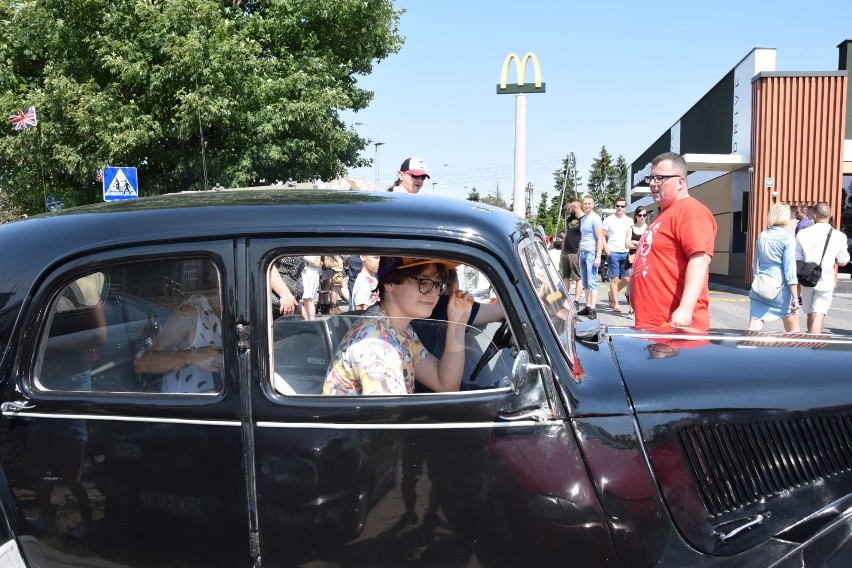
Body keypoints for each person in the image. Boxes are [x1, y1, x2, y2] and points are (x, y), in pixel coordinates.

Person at [323, 257, 474, 395]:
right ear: (390, 283)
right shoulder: (377, 347)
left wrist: (457, 323)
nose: (433, 293)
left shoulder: (400, 329)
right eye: (424, 282)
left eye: (437, 284)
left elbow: (445, 384)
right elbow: (390, 421)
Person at [630, 152, 717, 329]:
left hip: (673, 328)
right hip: (653, 323)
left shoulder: (691, 211)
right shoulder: (665, 213)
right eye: (651, 178)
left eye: (660, 178)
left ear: (680, 182)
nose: (653, 184)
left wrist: (685, 309)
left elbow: (700, 259)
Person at [134, 269, 224, 393]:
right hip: (186, 408)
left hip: (225, 404)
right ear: (217, 279)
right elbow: (141, 363)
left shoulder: (242, 312)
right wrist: (192, 356)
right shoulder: (190, 312)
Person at [795, 202, 850, 333]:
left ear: (814, 216)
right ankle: (815, 346)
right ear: (830, 216)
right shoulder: (839, 236)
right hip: (825, 278)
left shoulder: (802, 234)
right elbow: (843, 260)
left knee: (809, 313)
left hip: (807, 278)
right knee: (819, 314)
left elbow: (796, 257)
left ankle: (809, 344)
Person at [748, 203, 800, 332]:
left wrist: (757, 281)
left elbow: (755, 264)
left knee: (755, 322)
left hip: (761, 286)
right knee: (792, 323)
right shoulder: (787, 239)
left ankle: (747, 348)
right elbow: (790, 271)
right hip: (779, 288)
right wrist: (795, 298)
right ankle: (797, 350)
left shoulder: (762, 236)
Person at [602, 197, 634, 312]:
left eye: (622, 206)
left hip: (626, 252)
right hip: (613, 252)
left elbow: (631, 237)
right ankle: (615, 303)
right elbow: (602, 236)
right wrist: (607, 250)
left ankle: (611, 293)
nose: (619, 208)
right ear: (615, 206)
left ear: (625, 207)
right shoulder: (608, 220)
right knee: (614, 279)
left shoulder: (629, 221)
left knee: (626, 278)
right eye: (617, 206)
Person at [576, 195, 605, 319]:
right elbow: (582, 238)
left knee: (592, 281)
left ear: (593, 205)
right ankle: (587, 306)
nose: (587, 206)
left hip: (591, 253)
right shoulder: (583, 219)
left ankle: (593, 308)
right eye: (585, 203)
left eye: (589, 203)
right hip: (583, 252)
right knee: (586, 282)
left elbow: (600, 238)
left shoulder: (595, 218)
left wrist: (598, 257)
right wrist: (578, 255)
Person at [624, 206, 648, 317]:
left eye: (644, 215)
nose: (642, 217)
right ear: (636, 216)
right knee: (633, 282)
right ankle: (631, 310)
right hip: (632, 258)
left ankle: (639, 307)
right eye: (640, 215)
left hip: (644, 259)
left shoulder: (649, 228)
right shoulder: (631, 228)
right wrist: (640, 244)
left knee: (641, 284)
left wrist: (635, 242)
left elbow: (649, 244)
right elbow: (626, 244)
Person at [560, 199, 584, 309]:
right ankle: (564, 299)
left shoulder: (584, 219)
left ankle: (576, 300)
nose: (568, 210)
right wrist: (562, 249)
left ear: (574, 207)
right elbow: (566, 234)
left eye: (569, 208)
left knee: (577, 277)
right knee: (565, 276)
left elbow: (584, 237)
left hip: (575, 252)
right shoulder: (569, 219)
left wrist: (579, 253)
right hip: (566, 252)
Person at [300, 255, 322, 320]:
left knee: (309, 298)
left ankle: (311, 321)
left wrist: (304, 257)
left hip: (311, 272)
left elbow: (317, 263)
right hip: (305, 272)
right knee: (305, 299)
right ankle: (307, 320)